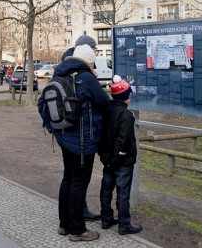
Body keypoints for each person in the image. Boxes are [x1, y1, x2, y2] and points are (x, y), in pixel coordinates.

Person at [53, 42, 111, 242]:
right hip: (82, 139)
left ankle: (64, 224)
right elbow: (104, 102)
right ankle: (77, 230)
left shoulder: (60, 73)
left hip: (64, 136)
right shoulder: (86, 77)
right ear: (89, 61)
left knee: (68, 178)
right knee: (79, 182)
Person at [99, 76, 143, 235]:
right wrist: (116, 159)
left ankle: (106, 218)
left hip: (107, 159)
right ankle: (124, 224)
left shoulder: (106, 111)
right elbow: (123, 140)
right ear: (126, 97)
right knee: (123, 192)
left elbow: (102, 135)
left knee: (106, 189)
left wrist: (106, 158)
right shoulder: (127, 116)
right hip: (122, 161)